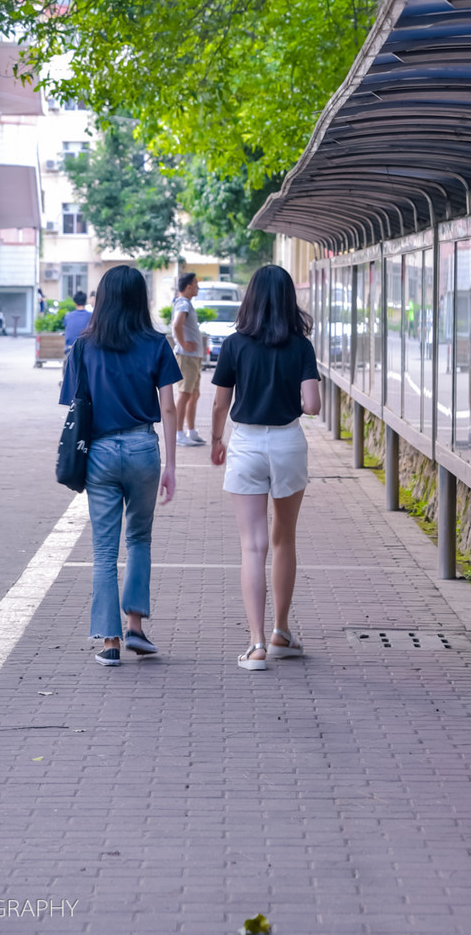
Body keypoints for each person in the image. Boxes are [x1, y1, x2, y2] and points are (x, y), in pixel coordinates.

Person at [59, 264, 178, 665]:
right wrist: (172, 465)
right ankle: (136, 629)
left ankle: (110, 644)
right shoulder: (157, 344)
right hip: (144, 448)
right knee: (139, 539)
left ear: (103, 299)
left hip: (101, 453)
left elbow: (75, 405)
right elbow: (169, 407)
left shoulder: (84, 346)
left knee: (104, 551)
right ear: (139, 299)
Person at [210, 264, 321, 670]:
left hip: (247, 443)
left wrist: (217, 440)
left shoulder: (235, 344)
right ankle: (281, 632)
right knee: (283, 540)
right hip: (288, 442)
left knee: (251, 546)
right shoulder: (301, 346)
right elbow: (312, 405)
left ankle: (255, 646)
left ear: (251, 297)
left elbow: (221, 402)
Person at [172, 272, 205, 447]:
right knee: (185, 394)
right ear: (189, 286)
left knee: (194, 394)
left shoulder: (186, 303)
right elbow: (177, 325)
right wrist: (183, 344)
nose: (197, 287)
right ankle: (179, 433)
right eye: (196, 283)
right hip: (187, 357)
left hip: (193, 357)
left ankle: (191, 431)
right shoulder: (183, 303)